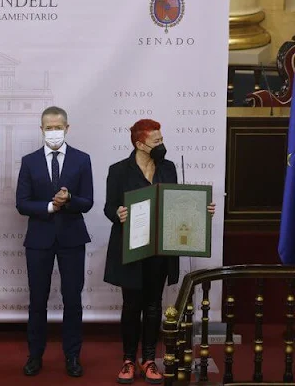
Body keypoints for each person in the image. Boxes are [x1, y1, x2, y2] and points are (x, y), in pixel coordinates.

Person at [103, 119, 215, 384]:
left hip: (160, 249)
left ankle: (150, 359)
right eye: (156, 141)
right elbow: (109, 207)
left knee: (154, 306)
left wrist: (201, 211)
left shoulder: (168, 168)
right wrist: (118, 213)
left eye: (162, 139)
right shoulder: (118, 170)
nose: (161, 144)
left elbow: (177, 204)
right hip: (131, 248)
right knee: (131, 306)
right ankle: (129, 359)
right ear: (140, 144)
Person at [16, 106, 93, 378]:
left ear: (67, 128)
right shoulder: (30, 161)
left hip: (72, 238)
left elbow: (88, 201)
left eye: (58, 127)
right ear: (41, 130)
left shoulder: (82, 160)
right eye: (49, 128)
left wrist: (69, 199)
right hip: (39, 239)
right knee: (38, 300)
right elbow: (22, 203)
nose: (54, 132)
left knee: (73, 299)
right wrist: (50, 206)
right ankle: (35, 355)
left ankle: (72, 356)